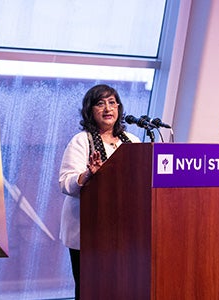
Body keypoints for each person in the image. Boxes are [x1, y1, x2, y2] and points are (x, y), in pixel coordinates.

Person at [58, 84, 140, 299]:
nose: (107, 108)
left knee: (119, 286)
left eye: (112, 103)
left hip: (123, 231)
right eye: (100, 103)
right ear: (89, 110)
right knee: (90, 289)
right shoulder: (81, 141)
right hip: (88, 230)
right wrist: (88, 174)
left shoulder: (132, 141)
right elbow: (65, 183)